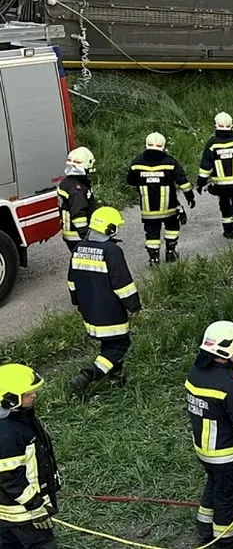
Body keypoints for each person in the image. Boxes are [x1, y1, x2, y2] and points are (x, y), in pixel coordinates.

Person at [186, 320, 233, 548]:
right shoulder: (230, 384)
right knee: (229, 495)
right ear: (226, 349)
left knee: (214, 486)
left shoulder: (194, 374)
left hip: (204, 451)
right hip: (227, 454)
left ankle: (204, 526)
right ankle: (227, 538)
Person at [66, 207, 140, 395]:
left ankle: (117, 376)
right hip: (110, 310)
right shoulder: (112, 250)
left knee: (109, 344)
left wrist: (77, 303)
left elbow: (71, 281)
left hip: (89, 310)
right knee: (120, 344)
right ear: (110, 228)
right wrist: (134, 306)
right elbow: (122, 284)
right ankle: (87, 376)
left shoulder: (78, 248)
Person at [0, 364, 60, 549]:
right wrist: (35, 506)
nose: (33, 395)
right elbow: (9, 478)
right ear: (10, 399)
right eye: (27, 393)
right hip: (24, 514)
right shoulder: (8, 434)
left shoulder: (20, 418)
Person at [126, 132, 195, 266]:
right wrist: (190, 196)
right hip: (169, 206)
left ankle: (154, 258)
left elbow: (131, 181)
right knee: (172, 228)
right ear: (163, 146)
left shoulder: (136, 163)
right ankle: (170, 252)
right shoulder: (170, 162)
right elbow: (183, 182)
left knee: (151, 233)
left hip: (148, 208)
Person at [197, 112, 233, 242]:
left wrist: (200, 183)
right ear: (232, 126)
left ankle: (228, 231)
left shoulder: (212, 144)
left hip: (221, 185)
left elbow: (206, 166)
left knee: (224, 206)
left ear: (216, 126)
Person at [57, 147, 97, 253]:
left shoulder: (67, 182)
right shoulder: (77, 189)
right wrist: (86, 236)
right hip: (78, 235)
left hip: (71, 233)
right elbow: (78, 214)